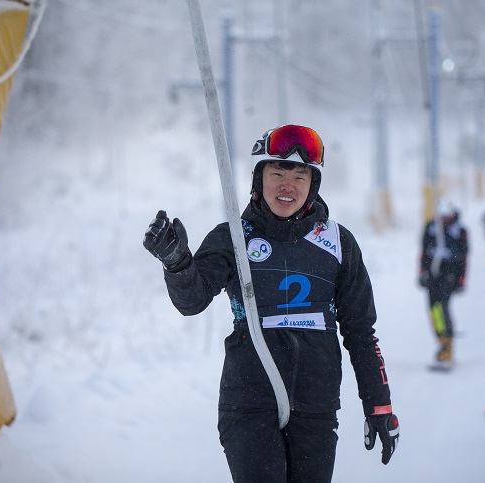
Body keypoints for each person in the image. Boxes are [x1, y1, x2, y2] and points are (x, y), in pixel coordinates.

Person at [143, 125, 399, 482]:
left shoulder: (338, 243)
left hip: (315, 406)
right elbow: (193, 300)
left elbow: (360, 332)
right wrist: (177, 264)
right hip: (248, 402)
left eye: (300, 177)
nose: (287, 186)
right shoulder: (233, 237)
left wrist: (379, 404)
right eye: (277, 174)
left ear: (313, 184)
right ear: (259, 179)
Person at [418, 198, 469, 365]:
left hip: (449, 276)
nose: (444, 220)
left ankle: (447, 343)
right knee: (433, 308)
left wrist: (461, 279)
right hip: (432, 274)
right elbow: (423, 252)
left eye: (447, 217)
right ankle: (441, 339)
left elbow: (464, 258)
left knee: (443, 307)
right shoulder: (430, 228)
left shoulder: (459, 231)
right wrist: (422, 272)